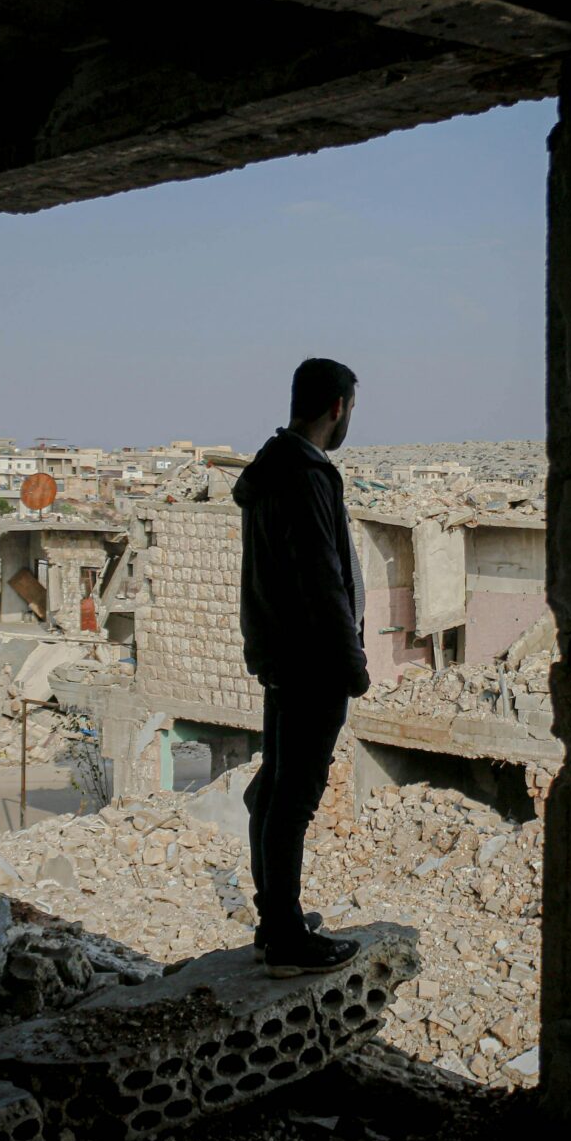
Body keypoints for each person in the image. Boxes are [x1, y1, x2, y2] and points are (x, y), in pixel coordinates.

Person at [234, 357, 369, 977]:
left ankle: (275, 923)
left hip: (282, 656)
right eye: (349, 409)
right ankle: (285, 938)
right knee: (292, 797)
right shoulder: (308, 475)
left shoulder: (271, 468)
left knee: (276, 789)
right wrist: (351, 661)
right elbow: (323, 581)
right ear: (337, 407)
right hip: (313, 661)